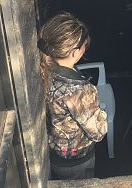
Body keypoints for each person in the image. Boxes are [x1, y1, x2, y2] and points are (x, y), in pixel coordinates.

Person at [37, 12, 107, 179]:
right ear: (75, 53)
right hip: (76, 162)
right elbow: (98, 132)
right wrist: (100, 111)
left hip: (54, 155)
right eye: (85, 46)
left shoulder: (42, 69)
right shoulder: (80, 91)